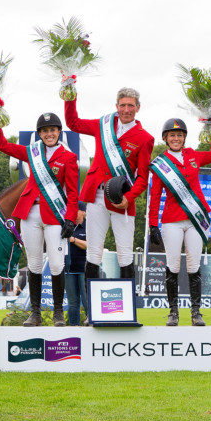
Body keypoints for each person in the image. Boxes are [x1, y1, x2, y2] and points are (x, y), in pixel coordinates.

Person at [0, 113, 80, 326]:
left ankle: (58, 313)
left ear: (59, 132)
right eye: (45, 131)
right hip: (30, 213)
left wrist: (70, 218)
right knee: (34, 263)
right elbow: (2, 145)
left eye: (53, 130)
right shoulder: (32, 152)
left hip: (55, 214)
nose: (49, 134)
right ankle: (35, 313)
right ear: (39, 134)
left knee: (57, 263)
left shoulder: (69, 158)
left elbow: (73, 193)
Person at [64, 86, 154, 284]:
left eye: (131, 105)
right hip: (95, 195)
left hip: (122, 199)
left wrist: (128, 199)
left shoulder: (145, 138)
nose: (126, 109)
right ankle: (92, 313)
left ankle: (128, 311)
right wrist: (69, 94)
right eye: (122, 105)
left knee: (125, 253)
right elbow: (73, 123)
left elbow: (143, 178)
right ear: (116, 106)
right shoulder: (103, 125)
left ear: (138, 108)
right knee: (93, 252)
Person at [148, 117, 211, 326]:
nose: (176, 138)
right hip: (172, 220)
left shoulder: (193, 156)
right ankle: (173, 312)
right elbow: (155, 196)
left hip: (195, 219)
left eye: (180, 135)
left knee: (193, 265)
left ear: (184, 138)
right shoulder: (160, 164)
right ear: (165, 138)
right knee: (172, 265)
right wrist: (153, 224)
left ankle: (196, 313)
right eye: (172, 135)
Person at [65, 203, 88, 326]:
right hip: (69, 269)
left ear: (83, 212)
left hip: (84, 269)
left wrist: (73, 240)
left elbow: (89, 246)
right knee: (72, 303)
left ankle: (91, 323)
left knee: (86, 300)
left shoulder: (88, 226)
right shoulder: (67, 226)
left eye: (76, 210)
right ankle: (74, 327)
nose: (74, 213)